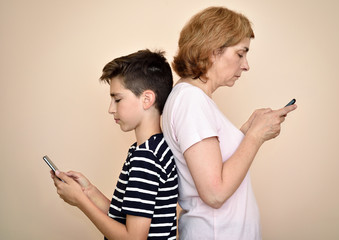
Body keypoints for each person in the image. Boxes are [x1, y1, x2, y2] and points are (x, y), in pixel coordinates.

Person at [162, 6, 297, 240]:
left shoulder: (194, 99)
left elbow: (215, 162)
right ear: (213, 50)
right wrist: (254, 137)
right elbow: (215, 193)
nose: (246, 65)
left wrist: (248, 131)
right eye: (240, 53)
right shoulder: (191, 100)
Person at [51, 49, 178, 240]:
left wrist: (79, 201)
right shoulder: (153, 148)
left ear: (147, 99)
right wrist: (88, 191)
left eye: (117, 99)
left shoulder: (146, 158)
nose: (111, 109)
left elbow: (133, 238)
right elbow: (126, 217)